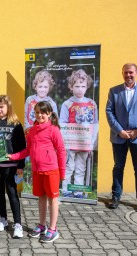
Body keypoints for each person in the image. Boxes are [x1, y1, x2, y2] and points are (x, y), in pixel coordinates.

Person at [8, 101, 66, 243]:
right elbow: (28, 150)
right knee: (41, 198)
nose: (39, 115)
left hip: (51, 170)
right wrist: (14, 156)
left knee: (53, 199)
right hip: (37, 170)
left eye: (43, 113)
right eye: (37, 112)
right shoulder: (32, 131)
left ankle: (53, 229)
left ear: (49, 114)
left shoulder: (54, 130)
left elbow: (61, 151)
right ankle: (42, 225)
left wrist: (62, 173)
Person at [106, 63, 137, 212]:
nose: (128, 75)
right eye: (126, 72)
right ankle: (115, 197)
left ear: (136, 73)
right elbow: (109, 112)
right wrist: (119, 130)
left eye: (131, 72)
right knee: (118, 167)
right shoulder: (114, 91)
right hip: (119, 137)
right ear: (122, 74)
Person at [0, 95, 26, 239]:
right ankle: (3, 219)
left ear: (8, 107)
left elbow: (22, 146)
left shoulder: (16, 124)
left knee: (12, 192)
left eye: (2, 107)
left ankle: (18, 224)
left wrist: (21, 165)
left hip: (11, 164)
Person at [59, 69, 98, 198]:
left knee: (81, 168)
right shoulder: (67, 104)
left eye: (83, 86)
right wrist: (64, 143)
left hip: (85, 143)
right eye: (77, 86)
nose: (80, 89)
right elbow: (62, 124)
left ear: (87, 86)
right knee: (69, 167)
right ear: (71, 87)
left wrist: (92, 142)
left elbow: (95, 124)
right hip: (70, 143)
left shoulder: (92, 104)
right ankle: (66, 190)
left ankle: (78, 191)